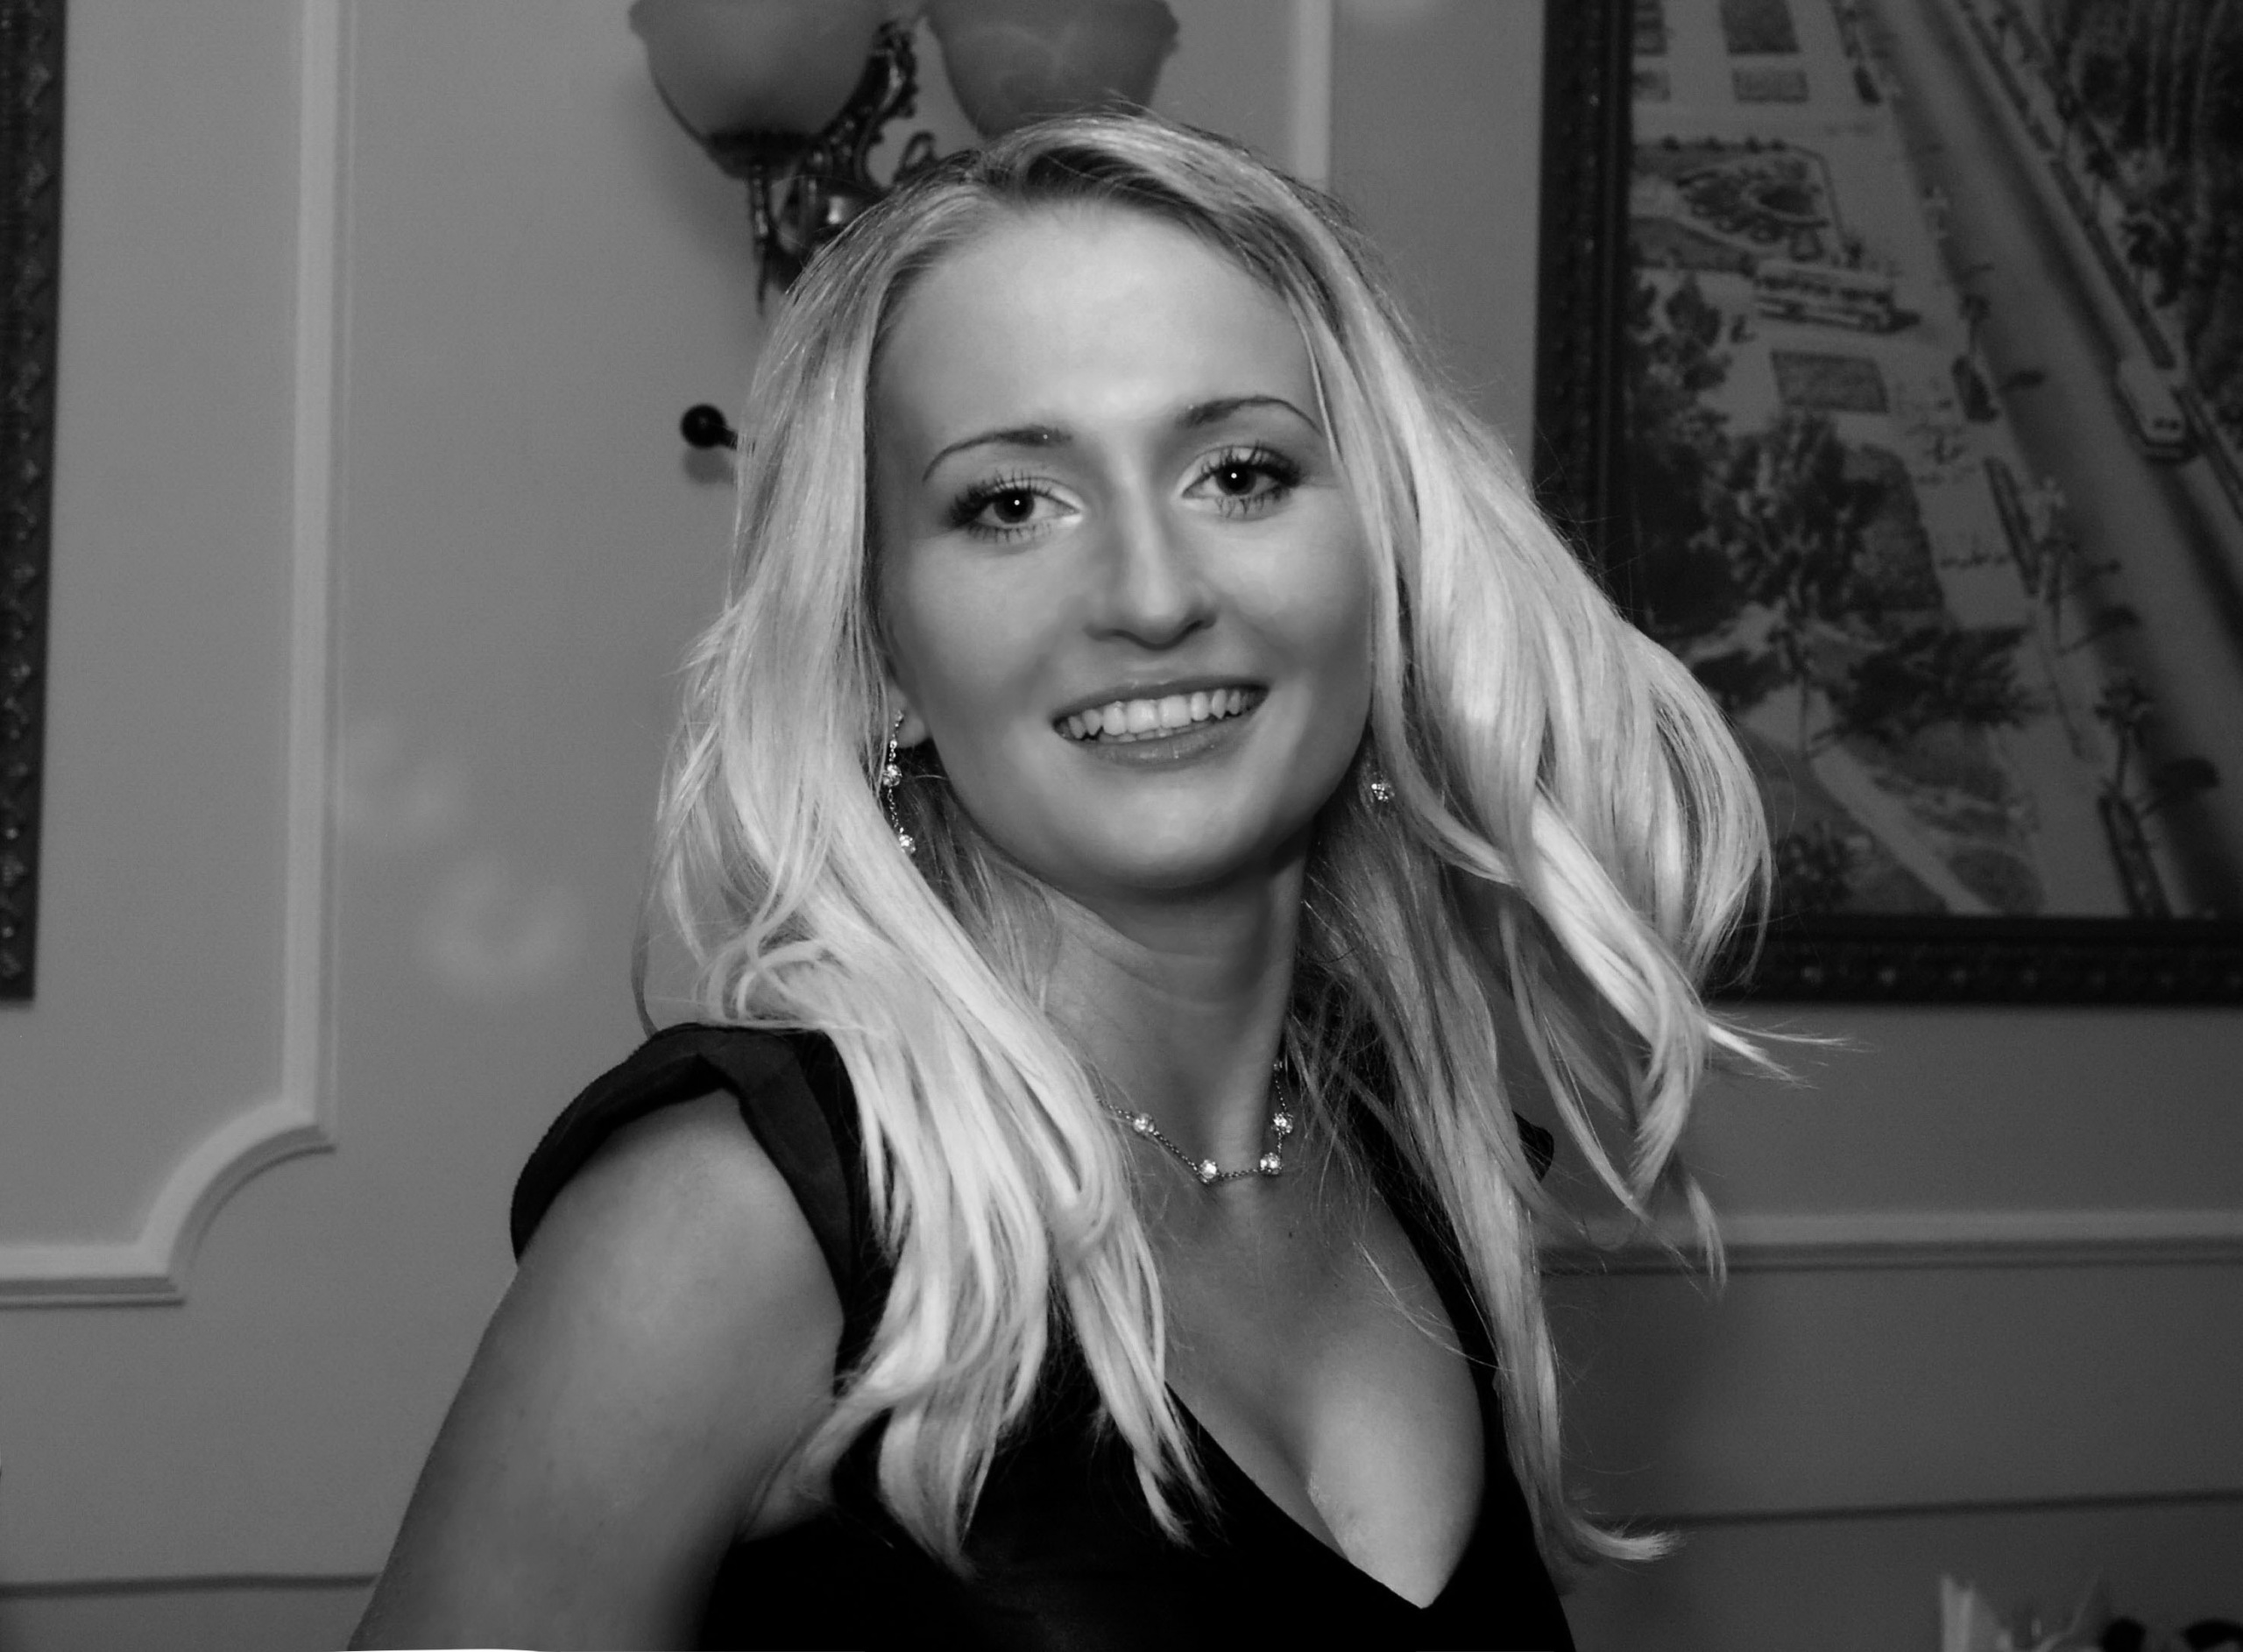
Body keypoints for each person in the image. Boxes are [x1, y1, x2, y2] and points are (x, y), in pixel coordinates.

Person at [351, 112, 1768, 1651]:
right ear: (883, 656)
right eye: (1012, 503)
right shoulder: (735, 1218)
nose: (1153, 595)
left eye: (1239, 472)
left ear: (1387, 568)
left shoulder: (1429, 1176)